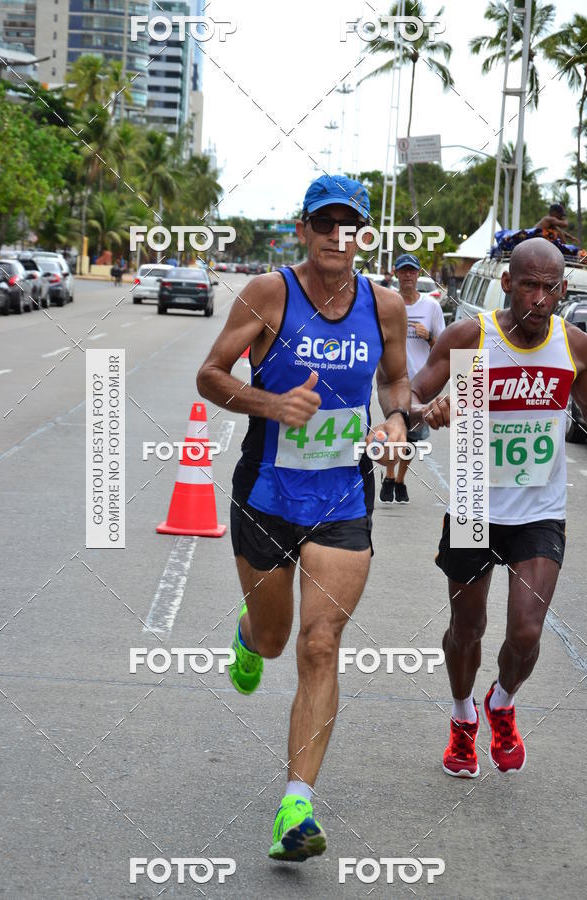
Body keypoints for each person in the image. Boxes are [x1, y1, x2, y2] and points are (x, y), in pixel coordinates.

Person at [197, 174, 409, 861]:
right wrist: (271, 404)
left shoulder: (384, 306)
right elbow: (210, 374)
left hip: (343, 496)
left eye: (349, 226)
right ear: (303, 229)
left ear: (364, 236)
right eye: (323, 223)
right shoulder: (269, 294)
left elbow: (395, 382)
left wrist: (397, 422)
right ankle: (248, 634)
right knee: (274, 639)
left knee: (320, 645)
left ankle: (296, 805)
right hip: (266, 494)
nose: (335, 237)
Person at [406, 237, 587, 777]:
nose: (539, 298)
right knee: (467, 629)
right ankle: (463, 716)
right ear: (507, 283)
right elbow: (408, 396)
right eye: (528, 285)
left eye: (550, 288)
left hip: (539, 511)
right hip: (473, 503)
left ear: (562, 290)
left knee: (526, 633)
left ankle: (502, 702)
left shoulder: (573, 345)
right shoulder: (471, 338)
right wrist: (427, 410)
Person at [379, 253, 445, 504]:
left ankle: (399, 480)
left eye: (412, 271)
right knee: (395, 430)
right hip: (392, 380)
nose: (408, 275)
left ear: (418, 274)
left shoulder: (431, 307)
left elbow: (443, 348)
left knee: (411, 437)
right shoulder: (387, 303)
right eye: (403, 271)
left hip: (420, 384)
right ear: (396, 273)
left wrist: (428, 337)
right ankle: (389, 476)